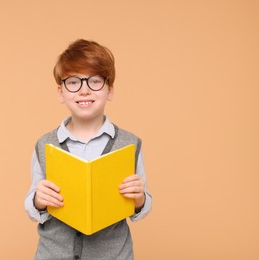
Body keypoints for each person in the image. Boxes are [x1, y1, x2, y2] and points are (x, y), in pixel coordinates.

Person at [24, 39, 152, 260]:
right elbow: (32, 207)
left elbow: (143, 207)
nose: (84, 90)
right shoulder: (45, 145)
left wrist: (139, 199)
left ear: (109, 89)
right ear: (60, 92)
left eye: (95, 81)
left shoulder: (130, 144)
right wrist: (38, 199)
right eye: (73, 82)